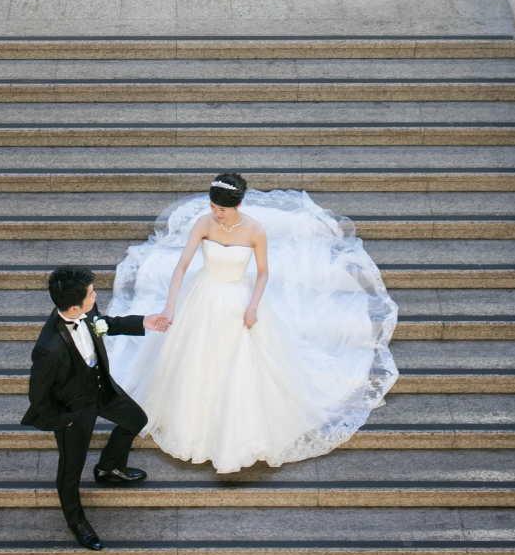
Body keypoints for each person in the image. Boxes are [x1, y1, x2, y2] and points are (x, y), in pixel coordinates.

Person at [105, 172, 399, 474]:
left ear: (238, 204)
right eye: (213, 207)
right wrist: (169, 304)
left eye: (222, 209)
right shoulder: (204, 223)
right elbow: (182, 265)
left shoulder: (255, 231)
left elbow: (262, 273)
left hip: (238, 295)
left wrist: (253, 305)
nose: (216, 213)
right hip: (202, 293)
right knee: (193, 355)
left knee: (244, 360)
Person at [21, 265, 163, 551]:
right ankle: (77, 521)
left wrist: (143, 321)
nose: (95, 295)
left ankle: (109, 468)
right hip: (74, 410)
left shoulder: (85, 310)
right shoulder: (48, 348)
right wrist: (66, 421)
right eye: (91, 293)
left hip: (102, 390)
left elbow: (104, 323)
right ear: (74, 307)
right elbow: (38, 397)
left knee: (135, 420)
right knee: (71, 469)